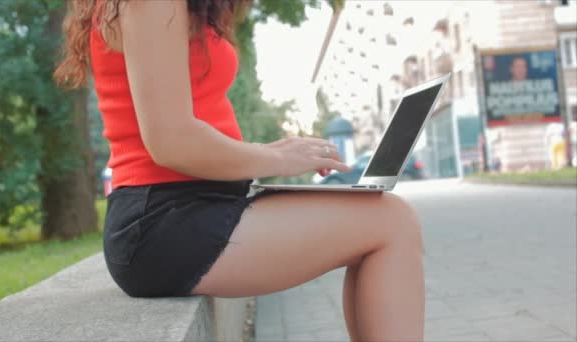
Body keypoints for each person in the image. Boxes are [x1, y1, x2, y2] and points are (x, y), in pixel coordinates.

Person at [54, 1, 424, 341]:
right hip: (161, 221)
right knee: (391, 222)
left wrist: (271, 152)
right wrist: (278, 159)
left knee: (383, 220)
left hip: (192, 206)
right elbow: (170, 141)